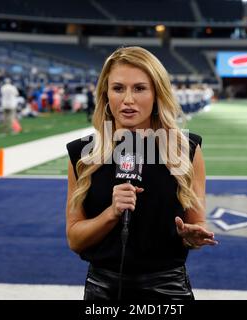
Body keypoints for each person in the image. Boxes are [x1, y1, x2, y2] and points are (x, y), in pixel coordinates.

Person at [65, 46, 218, 301]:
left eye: (139, 88)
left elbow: (197, 222)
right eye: (118, 88)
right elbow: (75, 240)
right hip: (103, 291)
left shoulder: (186, 150)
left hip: (169, 290)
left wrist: (193, 235)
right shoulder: (83, 155)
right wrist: (111, 213)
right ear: (105, 94)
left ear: (157, 93)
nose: (127, 99)